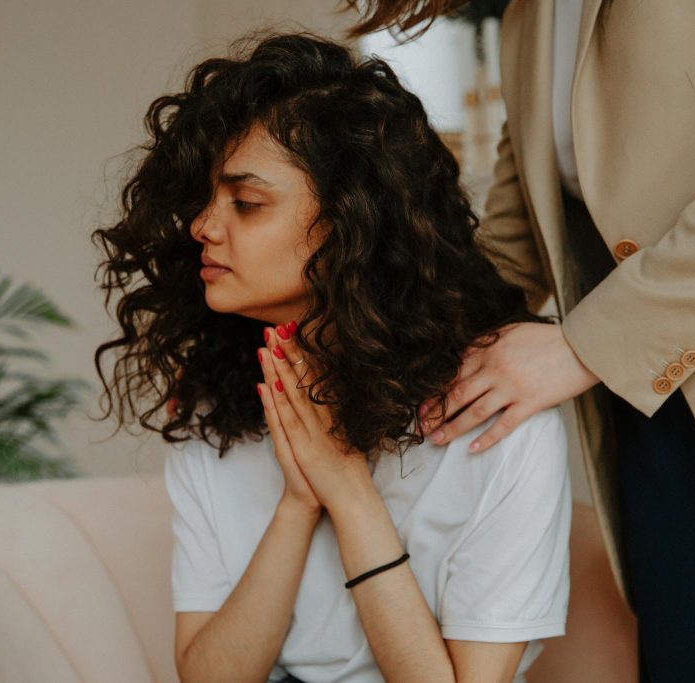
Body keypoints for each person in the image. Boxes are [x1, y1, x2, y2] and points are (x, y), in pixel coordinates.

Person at [345, 1, 695, 680]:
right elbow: (513, 237)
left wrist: (581, 345)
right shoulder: (526, 18)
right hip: (652, 424)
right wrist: (330, 348)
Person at [92, 32, 572, 683]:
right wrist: (298, 503)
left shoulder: (498, 420)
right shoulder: (214, 409)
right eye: (204, 200)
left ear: (353, 220)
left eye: (247, 202)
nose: (203, 226)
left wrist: (348, 491)